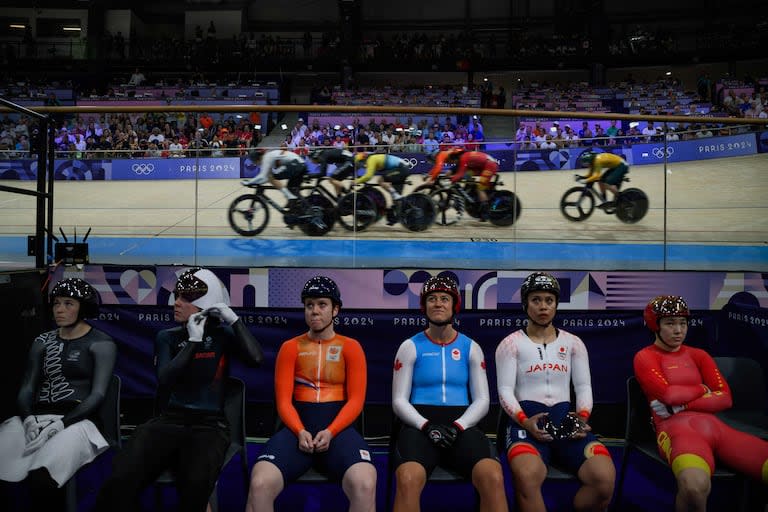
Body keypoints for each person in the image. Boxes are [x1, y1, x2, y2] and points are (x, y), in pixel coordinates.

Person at [95, 267, 264, 512]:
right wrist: (193, 342)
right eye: (177, 296)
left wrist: (235, 321)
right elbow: (165, 379)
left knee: (195, 484)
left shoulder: (222, 336)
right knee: (121, 477)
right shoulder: (167, 337)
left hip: (210, 426)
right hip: (168, 421)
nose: (176, 303)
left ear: (204, 304)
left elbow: (256, 359)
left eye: (186, 298)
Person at [246, 276, 376, 512]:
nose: (314, 311)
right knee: (259, 483)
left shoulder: (351, 347)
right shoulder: (290, 347)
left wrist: (331, 431)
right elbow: (283, 402)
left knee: (365, 483)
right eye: (309, 305)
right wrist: (299, 431)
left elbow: (356, 401)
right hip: (298, 430)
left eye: (322, 304)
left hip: (338, 432)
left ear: (336, 309)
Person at [634, 296, 768, 512]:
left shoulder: (699, 355)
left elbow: (725, 398)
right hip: (676, 431)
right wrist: (703, 390)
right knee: (694, 488)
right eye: (670, 323)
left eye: (683, 323)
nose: (679, 330)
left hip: (717, 429)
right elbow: (669, 395)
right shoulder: (645, 357)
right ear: (654, 326)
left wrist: (684, 406)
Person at [495, 272, 615, 512]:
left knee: (604, 478)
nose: (543, 307)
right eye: (536, 300)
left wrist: (581, 419)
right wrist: (525, 422)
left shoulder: (573, 342)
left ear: (556, 305)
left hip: (566, 422)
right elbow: (505, 391)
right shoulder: (510, 343)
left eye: (549, 301)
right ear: (525, 304)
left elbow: (583, 387)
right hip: (526, 424)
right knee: (527, 477)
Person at [391, 276, 508, 512]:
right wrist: (425, 426)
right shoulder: (409, 346)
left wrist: (459, 426)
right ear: (424, 306)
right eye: (432, 299)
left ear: (454, 305)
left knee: (493, 476)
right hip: (419, 426)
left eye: (444, 299)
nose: (438, 304)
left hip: (461, 426)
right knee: (408, 478)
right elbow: (399, 400)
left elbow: (483, 400)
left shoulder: (471, 347)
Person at [0, 278, 116, 510]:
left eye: (68, 303)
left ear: (83, 307)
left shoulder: (101, 343)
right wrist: (27, 418)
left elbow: (98, 395)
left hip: (79, 421)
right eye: (56, 304)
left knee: (42, 479)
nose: (59, 309)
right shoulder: (42, 341)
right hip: (36, 418)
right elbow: (27, 387)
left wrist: (61, 424)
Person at [426, 148, 499, 220]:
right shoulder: (461, 157)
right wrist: (450, 174)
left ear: (455, 158)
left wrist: (451, 180)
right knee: (467, 175)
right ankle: (470, 191)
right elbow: (457, 169)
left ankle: (485, 211)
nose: (450, 163)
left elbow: (459, 174)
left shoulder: (463, 159)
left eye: (451, 161)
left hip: (490, 166)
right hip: (483, 165)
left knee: (480, 188)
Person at [242, 149, 307, 204]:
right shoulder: (268, 157)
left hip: (296, 165)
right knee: (292, 190)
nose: (255, 164)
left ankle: (290, 196)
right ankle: (294, 201)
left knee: (271, 177)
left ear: (257, 159)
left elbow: (262, 176)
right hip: (299, 165)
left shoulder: (266, 157)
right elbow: (265, 178)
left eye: (254, 162)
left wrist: (249, 182)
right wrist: (255, 182)